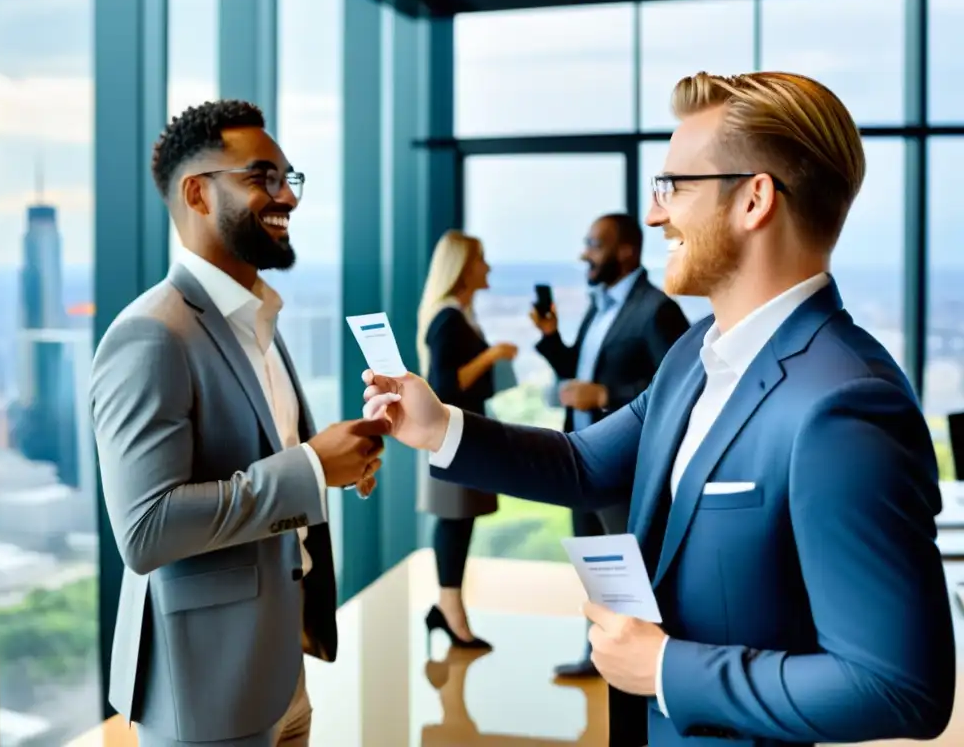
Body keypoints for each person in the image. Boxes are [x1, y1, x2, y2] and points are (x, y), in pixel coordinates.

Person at [362, 71, 956, 747]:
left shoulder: (846, 403)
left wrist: (668, 668)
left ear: (755, 198)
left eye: (674, 185)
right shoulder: (697, 351)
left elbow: (899, 687)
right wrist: (438, 426)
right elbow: (586, 463)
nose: (654, 213)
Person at [91, 99, 388, 747]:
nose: (288, 196)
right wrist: (310, 468)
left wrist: (333, 458)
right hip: (204, 687)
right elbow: (146, 530)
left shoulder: (256, 319)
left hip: (279, 668)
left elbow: (265, 461)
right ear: (197, 192)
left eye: (290, 178)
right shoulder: (150, 335)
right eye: (263, 177)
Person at [532, 213, 688, 678]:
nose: (585, 253)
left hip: (625, 468)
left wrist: (605, 397)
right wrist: (551, 339)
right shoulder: (600, 307)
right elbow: (579, 370)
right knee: (595, 568)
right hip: (581, 461)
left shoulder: (656, 309)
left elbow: (678, 388)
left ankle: (645, 667)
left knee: (629, 576)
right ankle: (599, 656)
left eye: (594, 244)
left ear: (626, 251)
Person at [416, 230, 517, 650]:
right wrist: (492, 356)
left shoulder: (458, 315)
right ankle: (450, 608)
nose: (487, 267)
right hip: (452, 437)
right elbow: (445, 385)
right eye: (481, 259)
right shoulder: (448, 318)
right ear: (462, 267)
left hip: (460, 435)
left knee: (460, 520)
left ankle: (449, 608)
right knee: (455, 521)